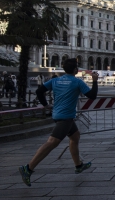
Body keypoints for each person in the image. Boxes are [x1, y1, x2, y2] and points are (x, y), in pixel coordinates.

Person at [18, 59, 97, 187]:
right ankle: (28, 168)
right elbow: (92, 96)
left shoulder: (55, 80)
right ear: (76, 70)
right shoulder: (77, 82)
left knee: (75, 136)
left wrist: (45, 105)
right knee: (52, 142)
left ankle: (78, 165)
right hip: (65, 118)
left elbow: (39, 91)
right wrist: (94, 81)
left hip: (59, 114)